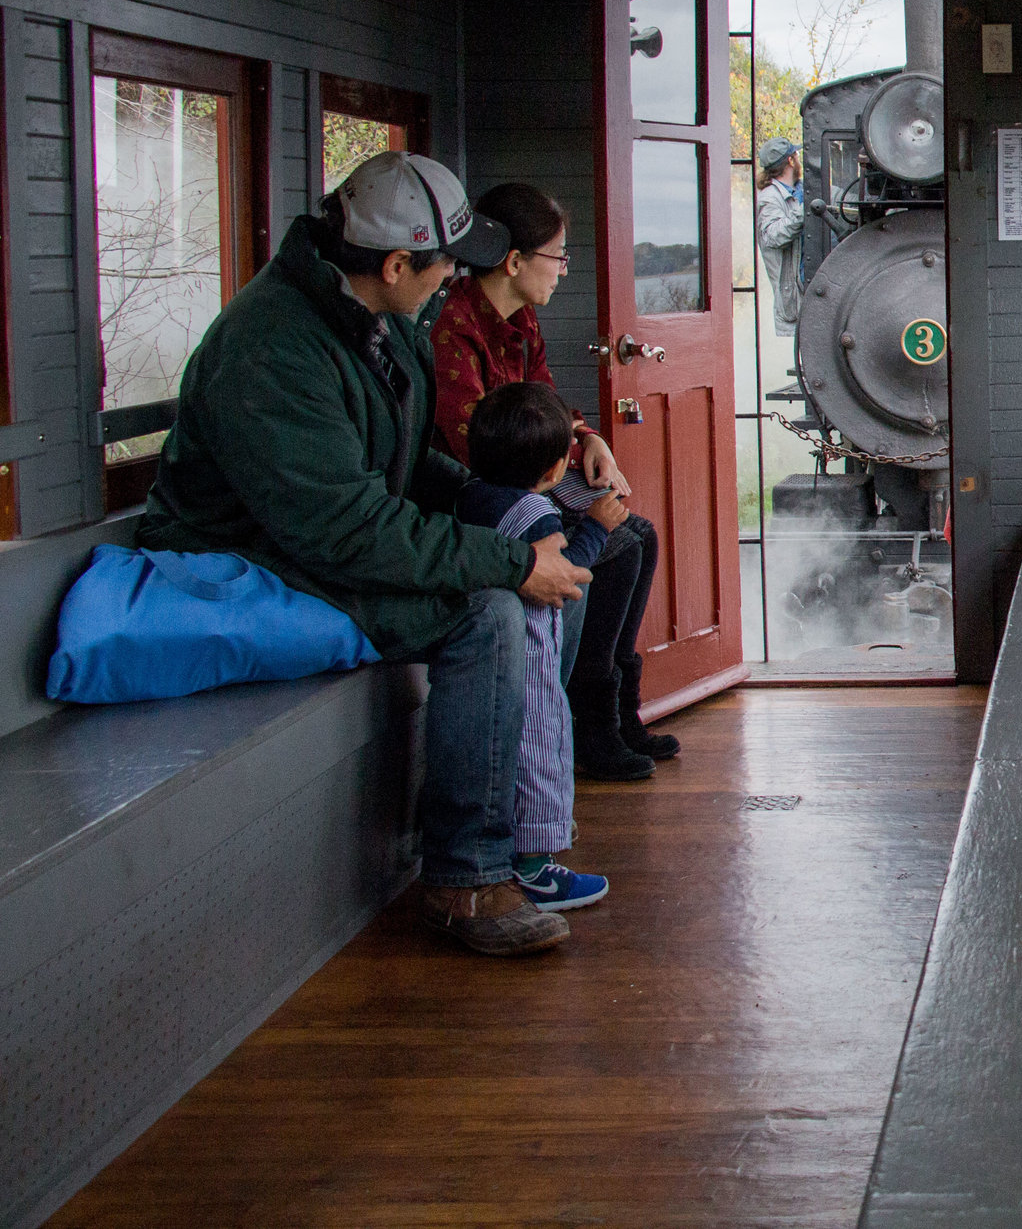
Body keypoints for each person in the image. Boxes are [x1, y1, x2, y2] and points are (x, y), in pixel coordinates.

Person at [138, 153, 588, 956]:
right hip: (246, 562)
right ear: (393, 264)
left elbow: (412, 465)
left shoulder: (380, 319)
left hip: (321, 536)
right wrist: (511, 564)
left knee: (533, 561)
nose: (457, 277)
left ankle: (526, 828)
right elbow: (346, 528)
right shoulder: (273, 352)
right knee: (485, 613)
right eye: (447, 261)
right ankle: (466, 875)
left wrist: (513, 514)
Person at [431, 182, 677, 778]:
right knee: (616, 542)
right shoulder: (454, 328)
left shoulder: (521, 316)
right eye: (557, 257)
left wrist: (588, 439)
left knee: (638, 534)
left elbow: (546, 400)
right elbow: (475, 446)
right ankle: (589, 722)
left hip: (531, 468)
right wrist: (565, 484)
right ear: (513, 261)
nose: (564, 271)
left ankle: (617, 712)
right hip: (485, 488)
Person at [457, 381, 630, 911]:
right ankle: (534, 871)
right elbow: (567, 572)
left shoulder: (472, 495)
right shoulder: (537, 515)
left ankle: (511, 858)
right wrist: (598, 527)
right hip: (532, 657)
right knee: (539, 755)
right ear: (557, 470)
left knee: (506, 759)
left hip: (494, 656)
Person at [756, 136, 805, 340]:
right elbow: (773, 236)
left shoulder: (802, 189)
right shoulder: (769, 198)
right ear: (791, 161)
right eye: (797, 154)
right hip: (797, 291)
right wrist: (803, 213)